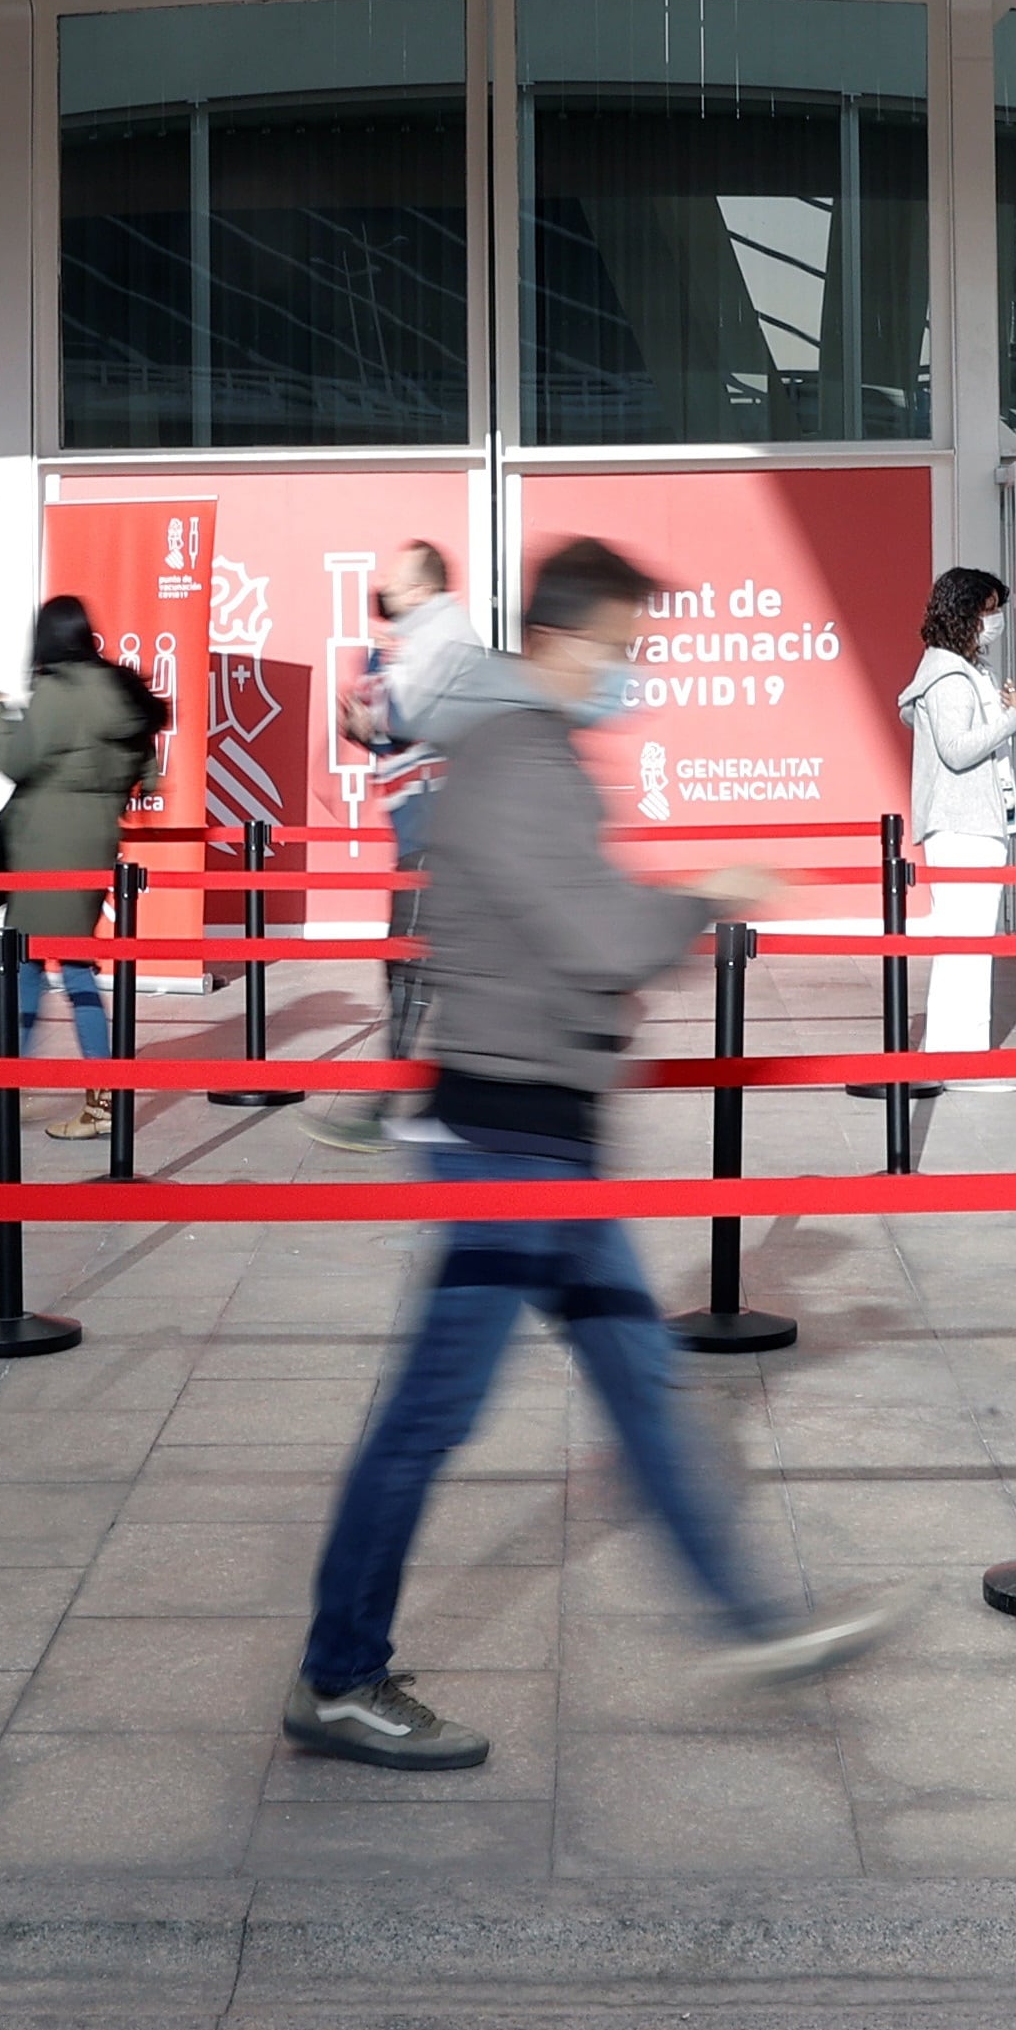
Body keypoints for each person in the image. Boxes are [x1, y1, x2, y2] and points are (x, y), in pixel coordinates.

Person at [285, 537, 899, 1771]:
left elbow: (553, 935)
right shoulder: (520, 761)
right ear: (564, 640)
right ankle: (340, 1676)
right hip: (503, 1142)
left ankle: (750, 1621)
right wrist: (708, 891)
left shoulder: (527, 754)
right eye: (625, 651)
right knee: (429, 1419)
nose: (635, 673)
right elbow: (596, 937)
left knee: (639, 1386)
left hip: (542, 1135)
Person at [0, 596, 161, 1143]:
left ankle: (89, 1100)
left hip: (44, 847)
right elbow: (149, 777)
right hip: (94, 842)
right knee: (40, 962)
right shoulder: (120, 691)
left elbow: (15, 762)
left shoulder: (57, 691)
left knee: (58, 965)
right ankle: (12, 1082)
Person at [311, 540, 479, 1155]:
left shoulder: (442, 638)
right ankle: (443, 1104)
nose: (384, 585)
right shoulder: (412, 639)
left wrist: (370, 714)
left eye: (395, 578)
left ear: (422, 588)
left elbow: (404, 711)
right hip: (424, 822)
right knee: (427, 969)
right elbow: (387, 726)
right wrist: (370, 719)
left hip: (439, 826)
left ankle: (387, 1107)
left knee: (410, 969)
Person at [898, 566, 1016, 1080]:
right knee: (967, 946)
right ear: (966, 612)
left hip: (974, 821)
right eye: (989, 610)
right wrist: (1014, 713)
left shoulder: (956, 669)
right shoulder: (948, 674)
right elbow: (958, 752)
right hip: (964, 825)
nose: (996, 620)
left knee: (968, 944)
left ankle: (958, 1053)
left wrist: (1001, 710)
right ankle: (963, 1061)